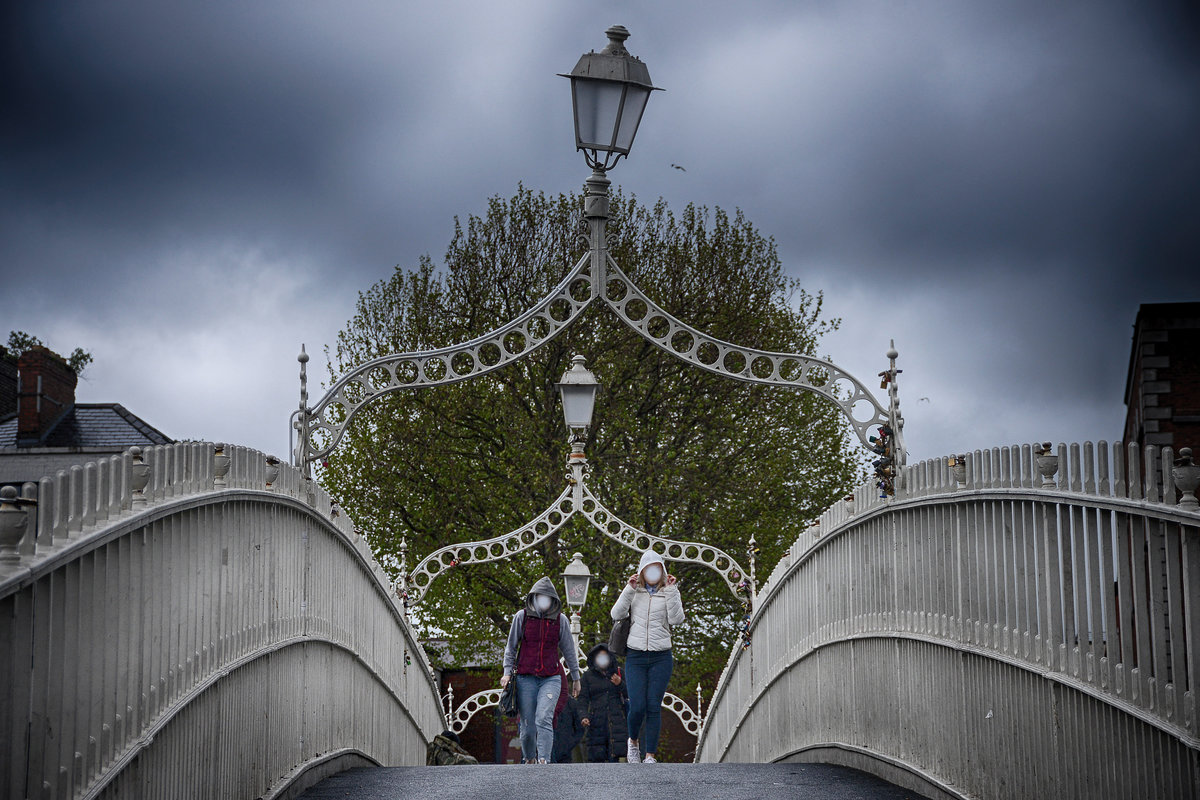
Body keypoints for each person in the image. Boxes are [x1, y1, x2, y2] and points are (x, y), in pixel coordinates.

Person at [610, 550, 685, 764]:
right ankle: (633, 741)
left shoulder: (669, 591)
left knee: (653, 705)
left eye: (657, 568)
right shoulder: (634, 592)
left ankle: (650, 754)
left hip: (661, 656)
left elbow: (677, 619)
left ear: (662, 571)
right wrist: (628, 589)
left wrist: (671, 590)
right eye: (649, 568)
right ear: (642, 571)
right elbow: (616, 614)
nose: (653, 572)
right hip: (636, 656)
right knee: (638, 706)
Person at [501, 577, 581, 763]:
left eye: (548, 597)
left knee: (544, 717)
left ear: (553, 600)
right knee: (528, 727)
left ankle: (544, 761)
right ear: (534, 598)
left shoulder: (560, 621)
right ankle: (529, 759)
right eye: (540, 597)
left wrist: (576, 678)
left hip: (551, 678)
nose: (544, 601)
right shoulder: (521, 617)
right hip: (525, 678)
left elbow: (569, 651)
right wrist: (506, 672)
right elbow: (511, 647)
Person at [579, 643, 628, 762]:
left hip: (616, 722)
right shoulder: (587, 677)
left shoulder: (619, 673)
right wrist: (583, 716)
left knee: (615, 757)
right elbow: (582, 699)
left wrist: (620, 683)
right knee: (596, 759)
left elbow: (630, 695)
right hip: (596, 721)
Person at [552, 670, 586, 763]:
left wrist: (569, 744)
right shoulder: (545, 701)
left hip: (565, 752)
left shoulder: (571, 703)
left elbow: (579, 729)